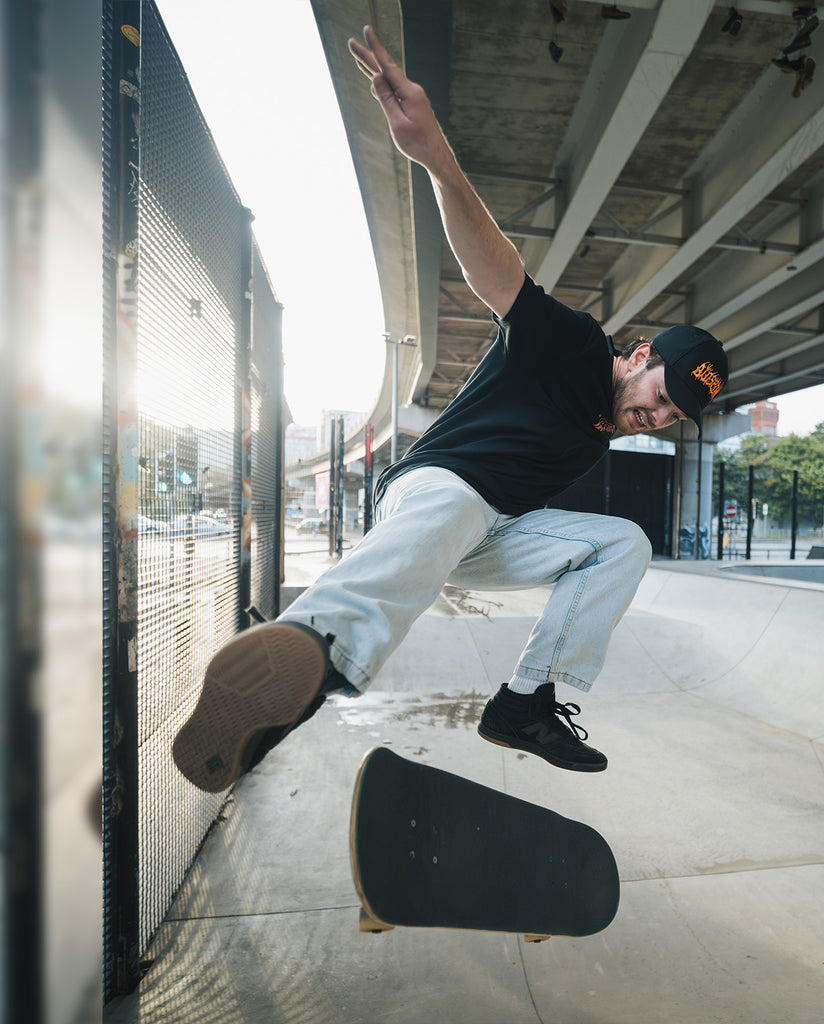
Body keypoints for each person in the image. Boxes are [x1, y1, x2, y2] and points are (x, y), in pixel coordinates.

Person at [172, 25, 728, 793]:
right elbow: (497, 271)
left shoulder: (607, 421)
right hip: (437, 488)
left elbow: (540, 520)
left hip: (495, 533)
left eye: (672, 418)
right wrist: (437, 157)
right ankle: (314, 645)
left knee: (623, 544)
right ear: (638, 356)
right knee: (456, 508)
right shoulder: (569, 342)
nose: (657, 416)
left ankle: (526, 701)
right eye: (660, 396)